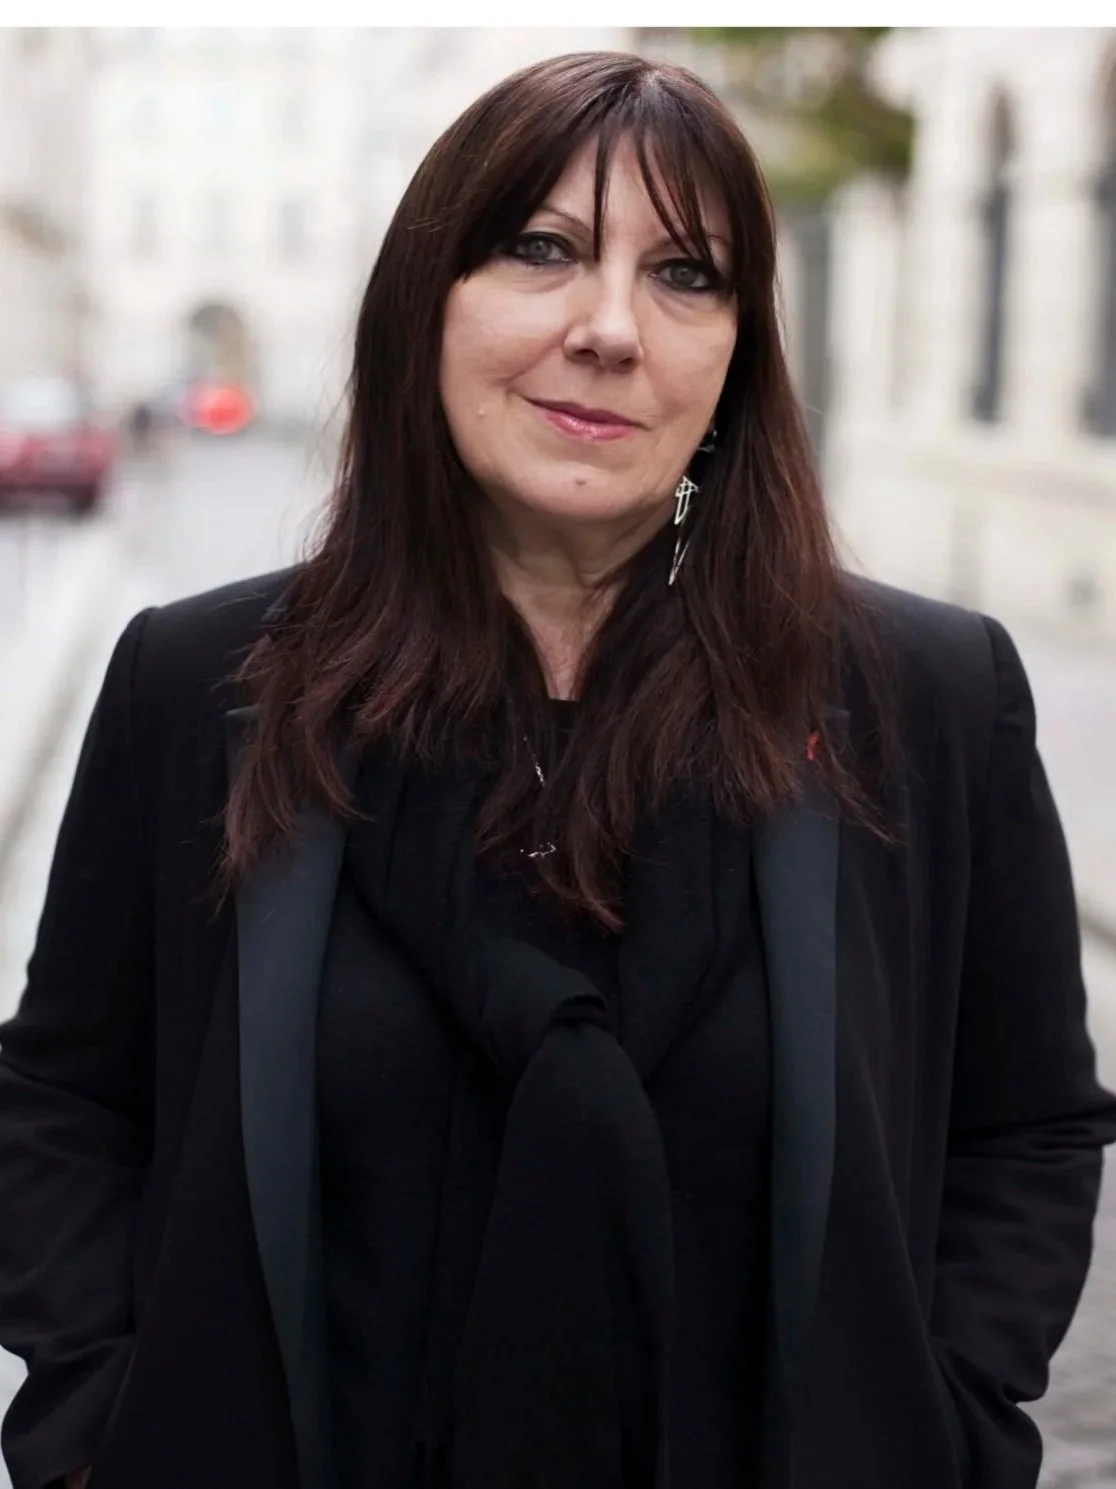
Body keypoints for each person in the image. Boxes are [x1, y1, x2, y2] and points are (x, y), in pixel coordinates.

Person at [1, 50, 1114, 1489]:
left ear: (739, 352)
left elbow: (1026, 1124)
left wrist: (951, 1421)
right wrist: (96, 1431)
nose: (609, 329)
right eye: (542, 249)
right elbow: (66, 1100)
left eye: (687, 276)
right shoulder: (199, 682)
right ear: (427, 296)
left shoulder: (927, 698)